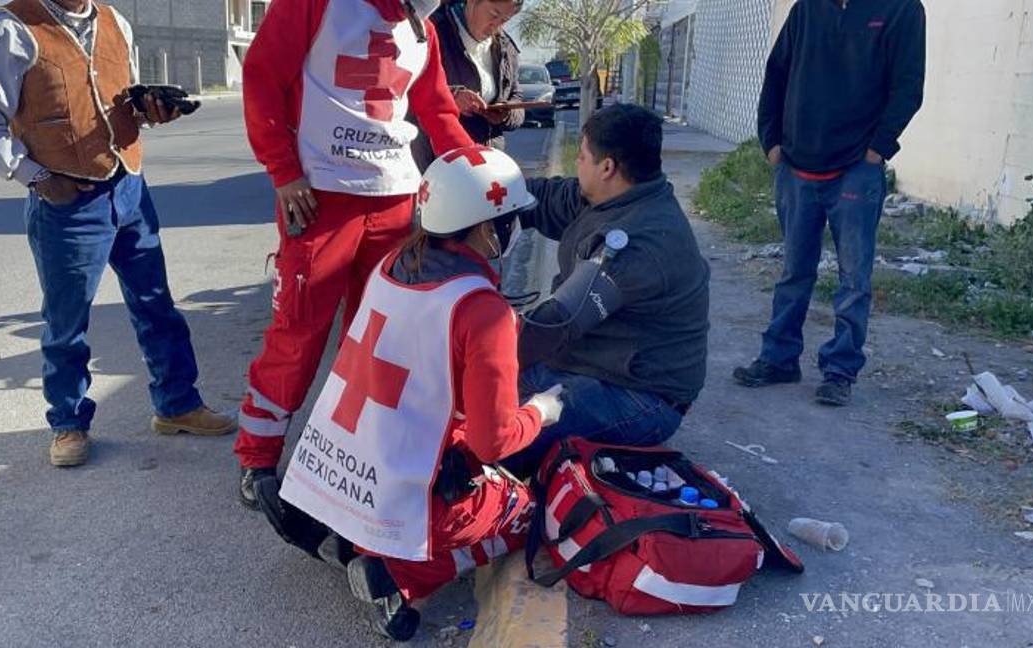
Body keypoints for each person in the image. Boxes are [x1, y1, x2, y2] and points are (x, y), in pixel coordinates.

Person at [253, 146, 564, 641]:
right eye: (510, 221)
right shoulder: (482, 312)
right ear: (487, 229)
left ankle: (343, 533)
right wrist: (540, 412)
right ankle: (398, 575)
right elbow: (494, 441)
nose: (514, 231)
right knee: (530, 512)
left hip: (338, 468)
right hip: (407, 487)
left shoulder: (392, 263)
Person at [0, 0, 236, 467]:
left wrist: (147, 109)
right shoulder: (10, 28)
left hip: (128, 187)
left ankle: (178, 404)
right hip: (65, 199)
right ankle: (68, 424)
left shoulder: (113, 21)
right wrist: (36, 177)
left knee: (156, 305)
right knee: (67, 322)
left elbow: (114, 103)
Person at [234, 0, 476, 507]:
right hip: (320, 198)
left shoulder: (422, 28)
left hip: (394, 201)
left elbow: (435, 109)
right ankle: (257, 455)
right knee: (297, 332)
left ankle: (352, 451)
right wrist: (283, 171)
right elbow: (260, 78)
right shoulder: (316, 4)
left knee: (376, 340)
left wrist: (476, 170)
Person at [734, 0, 926, 407]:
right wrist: (771, 142)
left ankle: (840, 371)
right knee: (793, 272)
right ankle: (779, 358)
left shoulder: (901, 10)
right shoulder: (807, 9)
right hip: (797, 168)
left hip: (856, 169)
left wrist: (877, 149)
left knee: (854, 280)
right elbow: (776, 75)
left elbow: (907, 87)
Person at [505, 104, 709, 475]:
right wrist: (484, 193)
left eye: (581, 157)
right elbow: (543, 198)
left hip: (640, 394)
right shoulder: (611, 198)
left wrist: (470, 342)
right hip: (590, 362)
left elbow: (556, 323)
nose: (577, 165)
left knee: (502, 435)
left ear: (608, 167)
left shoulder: (641, 240)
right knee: (474, 396)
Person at [409, 0, 524, 171]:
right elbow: (402, 90)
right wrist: (452, 98)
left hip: (486, 168)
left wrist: (507, 113)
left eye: (505, 20)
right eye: (494, 15)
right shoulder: (429, 32)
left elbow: (517, 99)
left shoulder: (506, 48)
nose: (497, 26)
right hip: (436, 166)